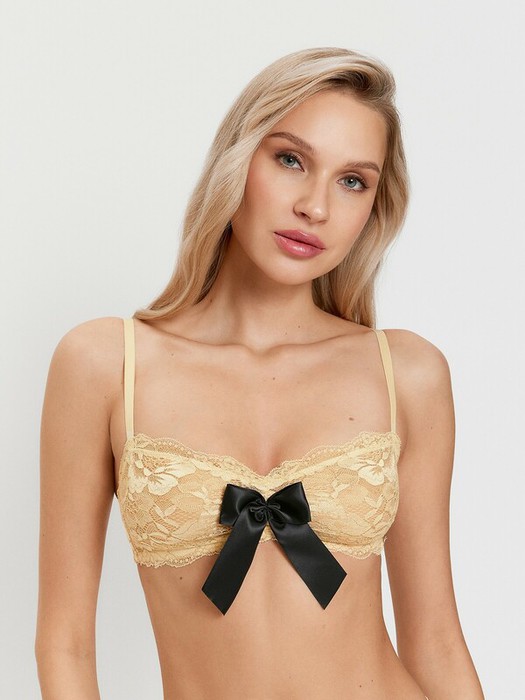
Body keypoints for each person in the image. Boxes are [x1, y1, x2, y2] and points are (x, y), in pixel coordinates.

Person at [35, 46, 484, 699]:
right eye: (291, 160)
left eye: (352, 181)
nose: (315, 207)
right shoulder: (106, 364)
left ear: (373, 207)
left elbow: (435, 640)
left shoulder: (405, 373)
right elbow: (65, 643)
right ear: (237, 160)